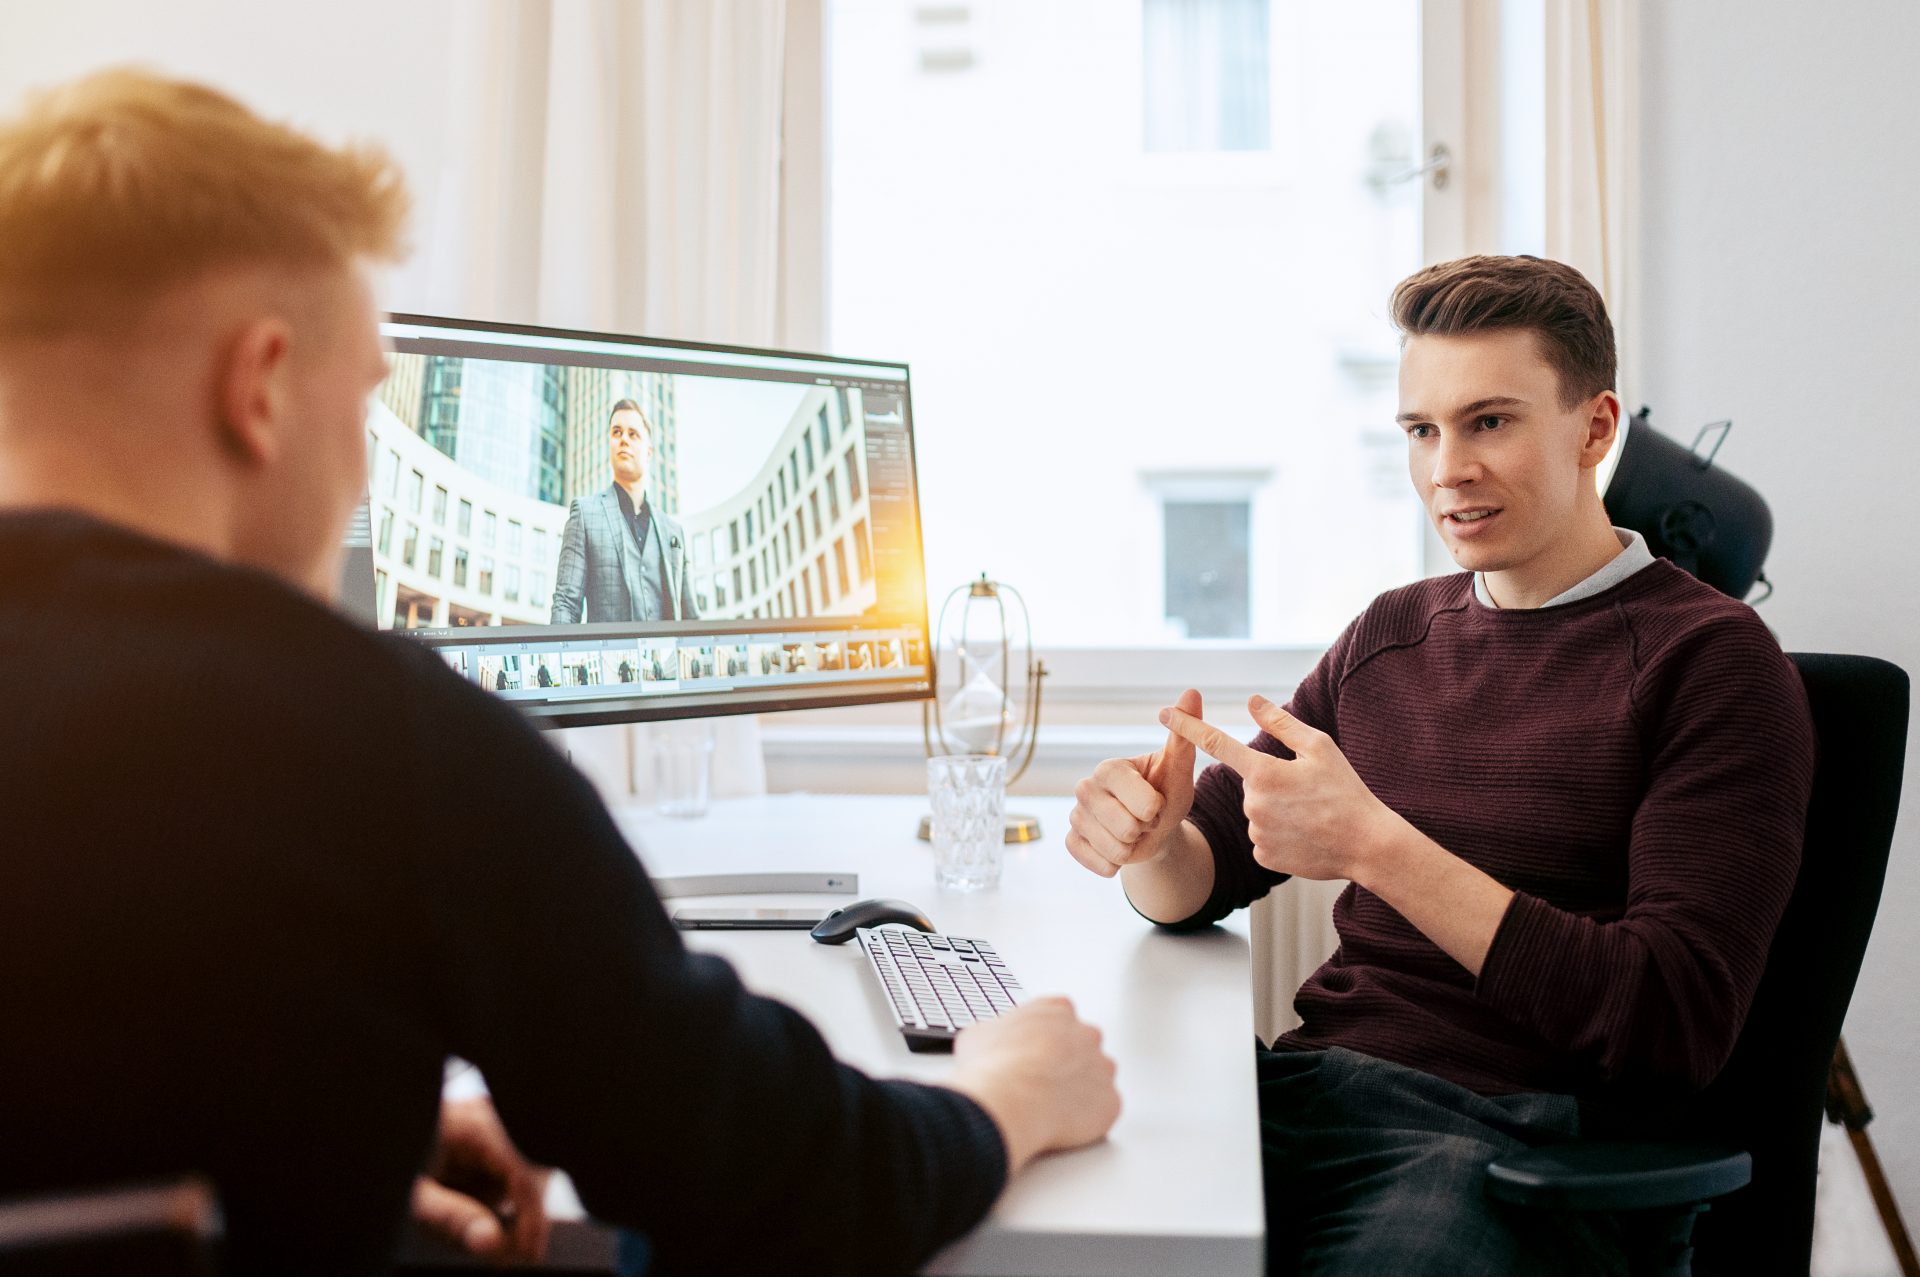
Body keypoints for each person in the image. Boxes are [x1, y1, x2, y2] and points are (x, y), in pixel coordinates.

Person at [0, 68, 1120, 1277]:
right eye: (367, 398)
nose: (363, 471)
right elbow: (783, 1173)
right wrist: (1008, 1092)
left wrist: (340, 1138)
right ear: (259, 384)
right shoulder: (382, 737)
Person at [1065, 255, 1815, 1276]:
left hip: (1513, 1146)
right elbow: (1208, 870)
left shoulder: (1714, 663)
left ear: (1595, 427)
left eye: (1488, 421)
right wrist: (1155, 844)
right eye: (1422, 430)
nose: (1446, 469)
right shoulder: (1391, 633)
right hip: (1306, 1094)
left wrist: (1378, 847)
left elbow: (1670, 1018)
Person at [549, 400, 699, 623]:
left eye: (633, 434)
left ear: (649, 452)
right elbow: (566, 605)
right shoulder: (584, 514)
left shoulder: (674, 532)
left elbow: (691, 620)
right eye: (616, 432)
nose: (624, 439)